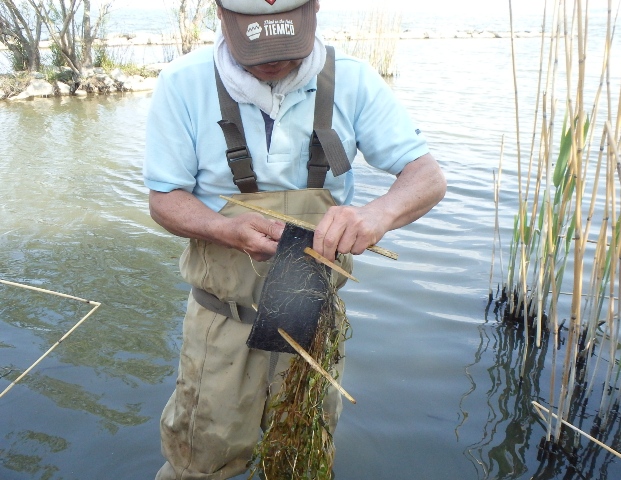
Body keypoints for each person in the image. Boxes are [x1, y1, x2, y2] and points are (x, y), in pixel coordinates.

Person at [143, 0, 446, 478]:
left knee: (301, 458)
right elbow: (164, 199)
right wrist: (224, 228)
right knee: (199, 462)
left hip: (313, 324)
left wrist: (377, 214)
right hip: (222, 321)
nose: (271, 61)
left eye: (285, 46)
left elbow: (427, 176)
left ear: (315, 13)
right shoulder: (182, 83)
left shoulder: (354, 79)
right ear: (222, 17)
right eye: (256, 47)